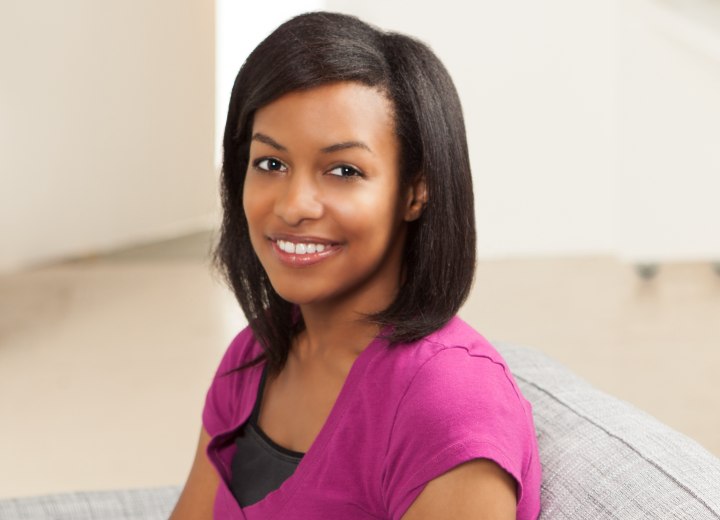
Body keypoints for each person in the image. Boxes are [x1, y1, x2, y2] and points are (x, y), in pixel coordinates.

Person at [171, 11, 541, 520]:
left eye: (344, 170)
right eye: (270, 163)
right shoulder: (253, 354)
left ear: (416, 191)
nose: (294, 204)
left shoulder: (450, 404)